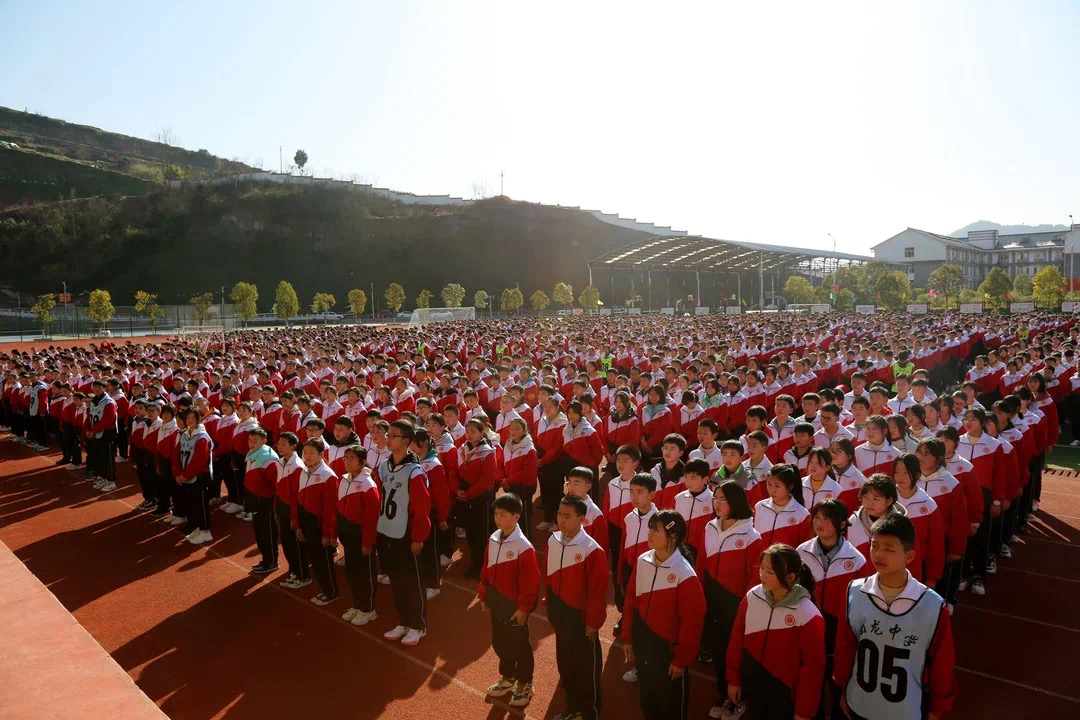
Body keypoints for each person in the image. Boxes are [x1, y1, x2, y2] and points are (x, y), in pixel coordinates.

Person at [834, 515, 957, 720]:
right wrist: (842, 687)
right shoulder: (854, 591)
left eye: (889, 549)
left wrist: (937, 708)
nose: (879, 554)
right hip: (859, 704)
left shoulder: (932, 605)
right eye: (874, 546)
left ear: (909, 557)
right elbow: (845, 646)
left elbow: (942, 663)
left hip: (904, 711)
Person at [622, 510, 706, 720]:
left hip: (668, 651)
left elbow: (692, 622)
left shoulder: (684, 574)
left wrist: (681, 659)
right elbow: (631, 600)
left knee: (670, 706)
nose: (650, 533)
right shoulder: (643, 560)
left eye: (656, 529)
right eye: (650, 528)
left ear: (674, 536)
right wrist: (629, 637)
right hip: (645, 645)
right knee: (648, 700)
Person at [726, 543, 825, 720]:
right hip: (754, 689)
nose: (762, 575)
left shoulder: (808, 615)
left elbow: (812, 670)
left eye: (770, 572)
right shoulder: (752, 597)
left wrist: (803, 712)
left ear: (790, 577)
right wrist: (734, 679)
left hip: (785, 697)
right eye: (762, 568)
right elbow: (737, 639)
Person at [797, 499, 869, 720]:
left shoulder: (857, 560)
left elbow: (862, 603)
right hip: (811, 625)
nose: (819, 523)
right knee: (812, 680)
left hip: (840, 629)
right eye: (816, 517)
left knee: (839, 681)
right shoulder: (802, 552)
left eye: (827, 519)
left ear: (841, 524)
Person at [697, 481, 762, 720]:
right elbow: (701, 563)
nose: (718, 503)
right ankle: (724, 693)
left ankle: (739, 698)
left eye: (723, 499)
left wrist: (744, 607)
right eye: (715, 498)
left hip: (736, 602)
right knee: (718, 648)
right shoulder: (709, 527)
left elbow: (754, 576)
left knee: (735, 651)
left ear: (735, 502)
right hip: (712, 598)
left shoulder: (751, 535)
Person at [545, 494, 607, 720]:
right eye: (560, 514)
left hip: (582, 619)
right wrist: (549, 603)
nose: (561, 520)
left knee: (586, 667)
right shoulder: (553, 540)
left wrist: (592, 622)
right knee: (566, 664)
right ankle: (572, 705)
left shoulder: (592, 550)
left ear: (582, 519)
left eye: (567, 516)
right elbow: (549, 576)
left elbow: (598, 592)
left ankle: (590, 711)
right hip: (560, 614)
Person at [478, 493, 540, 709]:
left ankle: (525, 683)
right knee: (500, 642)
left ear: (516, 517)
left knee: (520, 645)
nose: (497, 519)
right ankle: (508, 678)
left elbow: (531, 582)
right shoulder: (494, 537)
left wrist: (524, 608)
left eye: (502, 515)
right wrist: (483, 594)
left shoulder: (524, 547)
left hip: (514, 606)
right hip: (496, 602)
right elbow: (486, 568)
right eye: (496, 514)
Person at [374, 420, 432, 647]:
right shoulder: (383, 466)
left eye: (393, 435)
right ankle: (403, 621)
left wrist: (418, 538)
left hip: (406, 535)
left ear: (406, 441)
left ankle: (418, 625)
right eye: (388, 434)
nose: (387, 438)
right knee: (396, 580)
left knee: (413, 582)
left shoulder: (415, 472)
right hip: (387, 532)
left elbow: (422, 510)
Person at [336, 445, 381, 626]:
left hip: (362, 537)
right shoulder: (344, 479)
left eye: (352, 458)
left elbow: (371, 518)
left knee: (365, 574)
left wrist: (367, 542)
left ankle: (369, 609)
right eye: (345, 458)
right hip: (348, 535)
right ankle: (357, 604)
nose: (347, 462)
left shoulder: (368, 485)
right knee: (352, 572)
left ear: (362, 461)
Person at [293, 438, 340, 606]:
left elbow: (330, 510)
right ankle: (324, 589)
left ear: (321, 454)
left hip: (320, 527)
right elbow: (298, 498)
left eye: (312, 453)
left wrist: (328, 534)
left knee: (323, 562)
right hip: (306, 524)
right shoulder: (303, 471)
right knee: (315, 560)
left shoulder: (328, 476)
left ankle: (331, 592)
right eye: (304, 453)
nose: (307, 456)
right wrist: (298, 524)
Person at [457, 417, 498, 578]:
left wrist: (468, 494)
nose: (469, 435)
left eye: (473, 431)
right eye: (467, 431)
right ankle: (476, 562)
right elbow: (456, 470)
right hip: (466, 495)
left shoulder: (487, 452)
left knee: (482, 534)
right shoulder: (463, 448)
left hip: (480, 497)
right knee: (471, 532)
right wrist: (458, 490)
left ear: (482, 433)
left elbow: (487, 480)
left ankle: (483, 567)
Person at [274, 431, 311, 589]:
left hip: (292, 511)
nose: (279, 447)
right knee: (287, 544)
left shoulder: (297, 466)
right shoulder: (280, 462)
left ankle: (303, 575)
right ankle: (294, 571)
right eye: (279, 443)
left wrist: (295, 518)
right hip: (282, 508)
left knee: (296, 545)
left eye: (284, 444)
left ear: (293, 446)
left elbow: (297, 495)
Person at [173, 408, 214, 545]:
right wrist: (178, 473)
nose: (190, 420)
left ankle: (205, 531)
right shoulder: (184, 434)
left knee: (201, 504)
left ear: (198, 419)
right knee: (192, 503)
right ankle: (197, 527)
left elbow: (199, 460)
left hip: (199, 477)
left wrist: (184, 475)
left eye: (192, 417)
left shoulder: (202, 437)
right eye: (188, 418)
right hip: (186, 476)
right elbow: (177, 454)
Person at [243, 427, 281, 573]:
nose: (251, 444)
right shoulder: (254, 453)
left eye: (255, 441)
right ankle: (266, 559)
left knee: (267, 532)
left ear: (264, 441)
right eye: (250, 441)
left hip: (264, 502)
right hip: (255, 500)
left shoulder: (268, 459)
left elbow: (275, 484)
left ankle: (271, 561)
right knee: (259, 532)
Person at [755, 463, 811, 547]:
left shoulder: (802, 515)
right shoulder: (759, 507)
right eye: (769, 484)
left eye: (777, 486)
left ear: (790, 487)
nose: (772, 490)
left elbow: (804, 548)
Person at [502, 417, 538, 538]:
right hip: (510, 486)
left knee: (523, 519)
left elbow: (527, 473)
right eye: (512, 429)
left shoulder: (529, 449)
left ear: (524, 430)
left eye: (517, 429)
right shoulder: (508, 445)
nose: (514, 432)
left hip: (523, 489)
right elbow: (501, 462)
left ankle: (527, 544)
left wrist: (508, 480)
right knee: (512, 516)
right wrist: (502, 478)